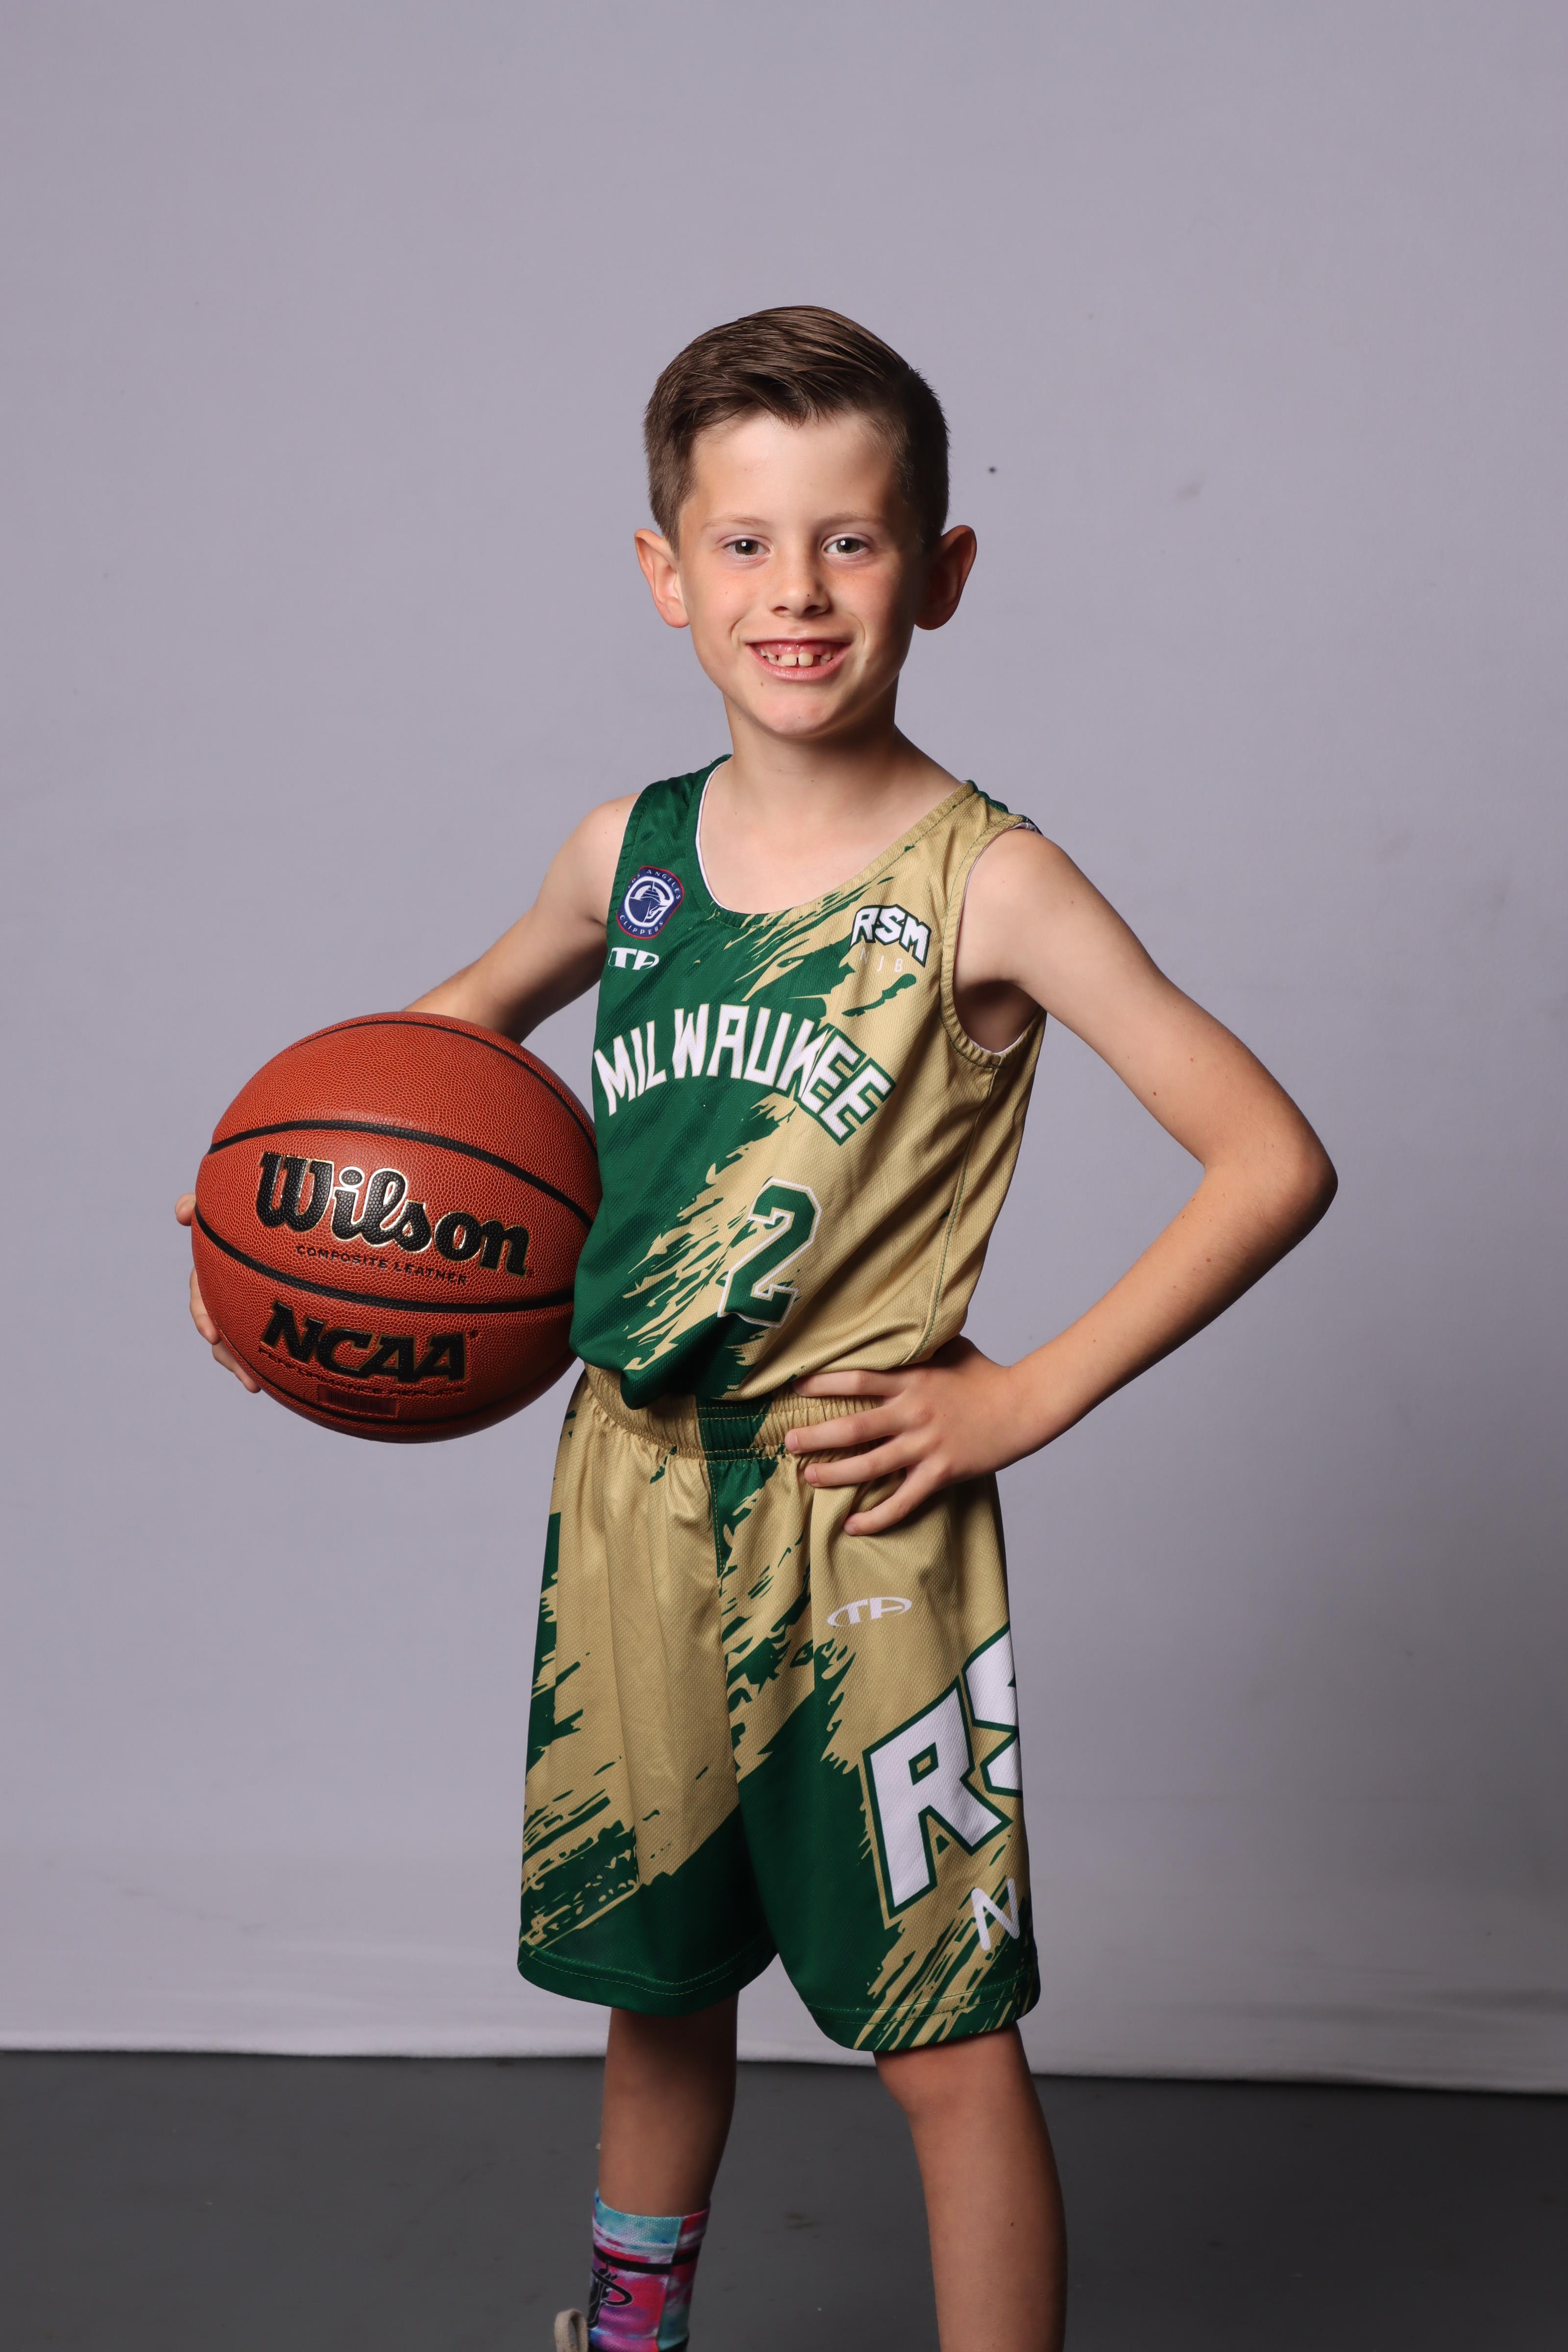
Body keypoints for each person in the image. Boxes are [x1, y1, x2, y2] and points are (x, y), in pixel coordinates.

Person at [178, 306, 1336, 2352]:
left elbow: (1268, 1157)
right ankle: (630, 2340)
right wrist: (279, 1268)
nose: (793, 591)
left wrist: (1023, 1400)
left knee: (940, 2032)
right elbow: (421, 1065)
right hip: (628, 1491)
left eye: (849, 542)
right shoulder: (621, 857)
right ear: (665, 572)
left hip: (856, 1522)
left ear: (939, 572)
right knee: (657, 1994)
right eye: (742, 543)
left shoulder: (992, 885)